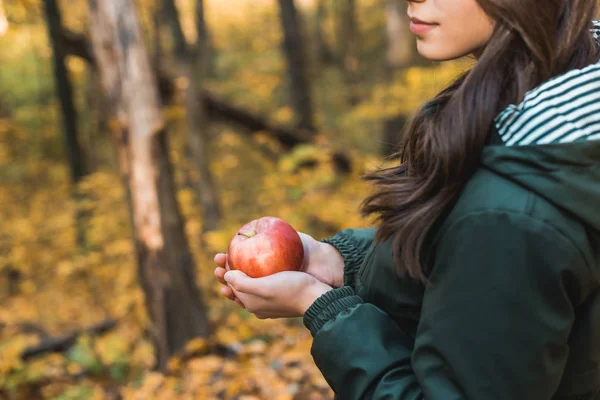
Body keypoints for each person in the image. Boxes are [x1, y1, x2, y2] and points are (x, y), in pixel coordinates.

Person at [214, 0, 600, 398]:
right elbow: (467, 262)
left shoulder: (510, 214)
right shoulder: (560, 95)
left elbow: (494, 237)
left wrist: (324, 308)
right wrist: (347, 264)